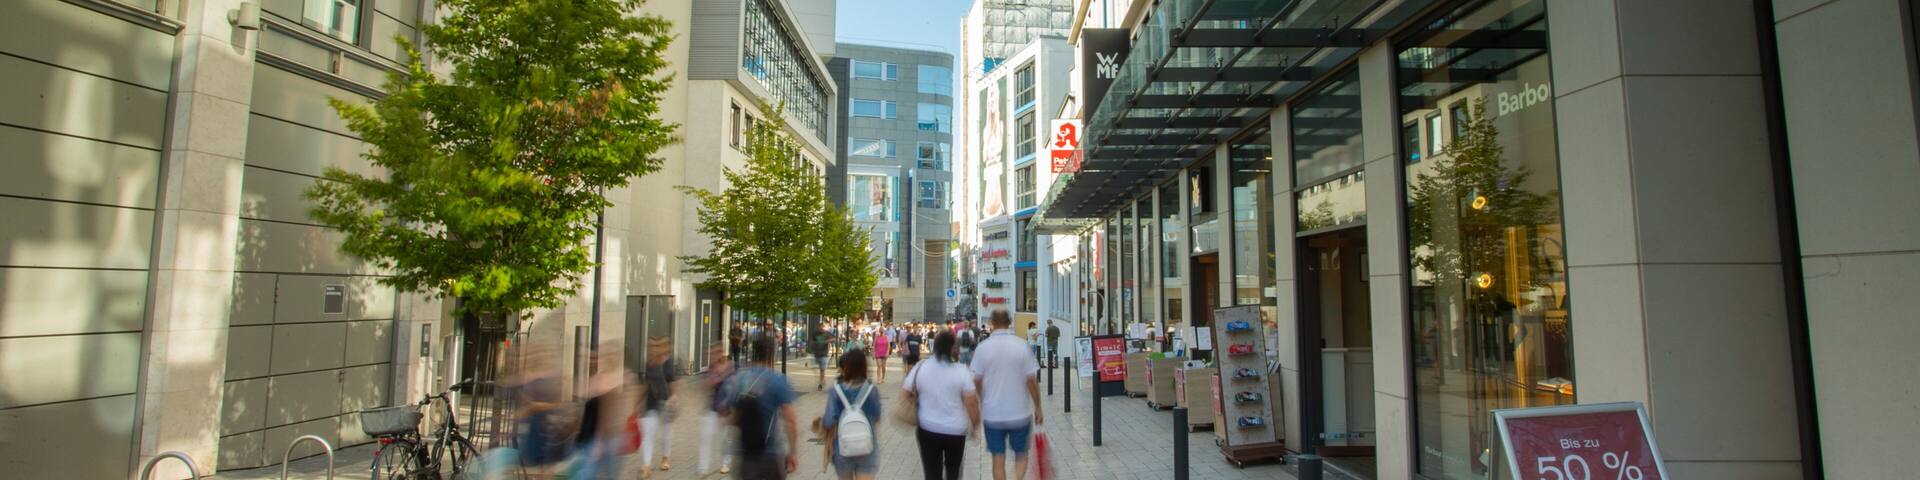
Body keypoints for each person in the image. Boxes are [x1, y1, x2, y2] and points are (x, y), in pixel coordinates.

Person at [972, 311, 1043, 480]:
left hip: (993, 413)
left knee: (998, 457)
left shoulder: (982, 348)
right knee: (1021, 455)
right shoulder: (1021, 346)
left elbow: (976, 380)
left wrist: (982, 399)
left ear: (991, 322)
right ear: (1010, 322)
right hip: (1019, 412)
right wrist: (1038, 407)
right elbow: (1031, 380)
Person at [722, 333, 801, 479]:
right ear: (772, 354)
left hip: (745, 455)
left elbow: (728, 414)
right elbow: (791, 421)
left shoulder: (739, 379)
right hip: (770, 455)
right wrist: (793, 452)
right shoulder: (778, 380)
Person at [904, 331, 980, 480]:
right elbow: (972, 403)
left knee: (932, 472)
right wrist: (975, 425)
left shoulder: (921, 366)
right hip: (955, 431)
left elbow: (904, 393)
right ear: (952, 348)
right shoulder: (962, 372)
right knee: (953, 471)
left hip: (927, 428)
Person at [821, 349, 882, 480]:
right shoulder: (872, 390)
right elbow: (877, 417)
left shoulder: (836, 391)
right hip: (866, 447)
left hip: (843, 447)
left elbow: (828, 421)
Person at [638, 337, 677, 477]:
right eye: (650, 346)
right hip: (651, 402)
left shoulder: (668, 362)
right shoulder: (649, 363)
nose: (652, 348)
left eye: (656, 345)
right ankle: (647, 466)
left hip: (665, 401)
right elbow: (645, 384)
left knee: (666, 433)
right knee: (648, 433)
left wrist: (674, 396)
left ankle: (665, 458)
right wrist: (638, 402)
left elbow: (672, 381)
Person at [700, 344, 736, 475]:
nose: (713, 355)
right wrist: (713, 378)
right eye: (711, 353)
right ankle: (703, 468)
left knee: (725, 437)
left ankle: (725, 463)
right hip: (712, 407)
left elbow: (734, 386)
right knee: (706, 437)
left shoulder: (730, 366)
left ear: (721, 353)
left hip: (726, 409)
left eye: (715, 352)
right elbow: (705, 386)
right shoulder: (711, 368)